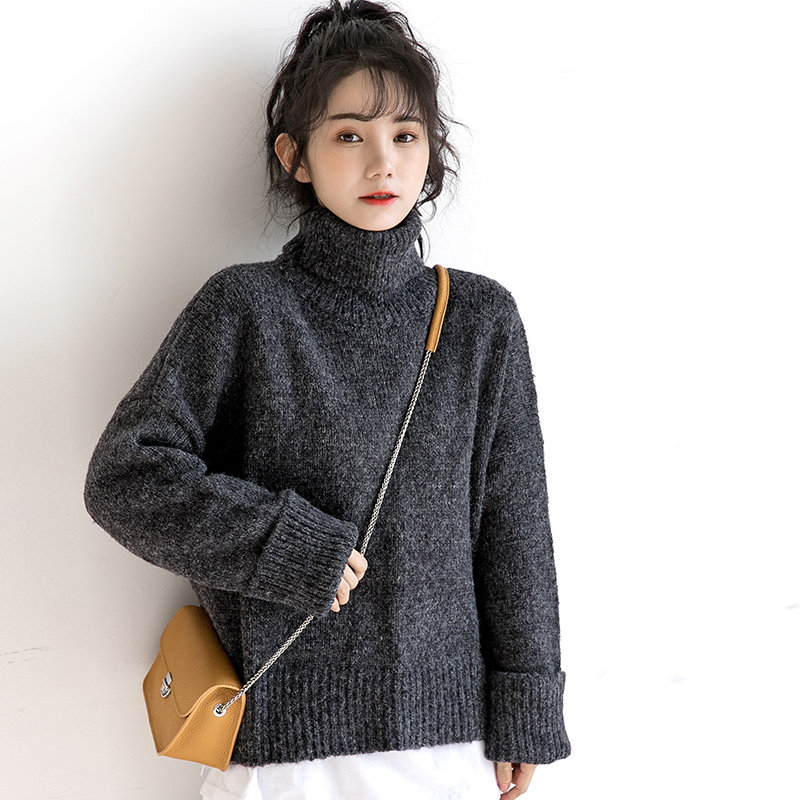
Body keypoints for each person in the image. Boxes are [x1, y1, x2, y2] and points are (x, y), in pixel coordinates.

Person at [82, 1, 572, 798]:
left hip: (447, 748)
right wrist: (281, 544)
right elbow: (123, 478)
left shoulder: (481, 320)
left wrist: (528, 705)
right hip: (282, 753)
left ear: (430, 152)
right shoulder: (245, 309)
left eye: (405, 136)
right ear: (296, 155)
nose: (382, 163)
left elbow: (515, 529)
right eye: (349, 135)